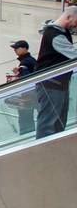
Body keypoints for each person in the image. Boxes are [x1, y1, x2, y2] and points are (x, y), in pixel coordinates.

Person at [35, 9, 77, 138]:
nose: (76, 25)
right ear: (69, 17)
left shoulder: (60, 32)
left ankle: (52, 150)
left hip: (58, 84)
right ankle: (42, 152)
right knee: (49, 122)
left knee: (58, 121)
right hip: (51, 85)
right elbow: (74, 55)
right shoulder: (55, 35)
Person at [7, 39, 38, 134]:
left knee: (25, 116)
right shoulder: (30, 60)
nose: (15, 50)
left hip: (29, 95)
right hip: (32, 93)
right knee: (28, 116)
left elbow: (26, 78)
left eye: (17, 48)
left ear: (24, 48)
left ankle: (26, 135)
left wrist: (16, 73)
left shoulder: (26, 62)